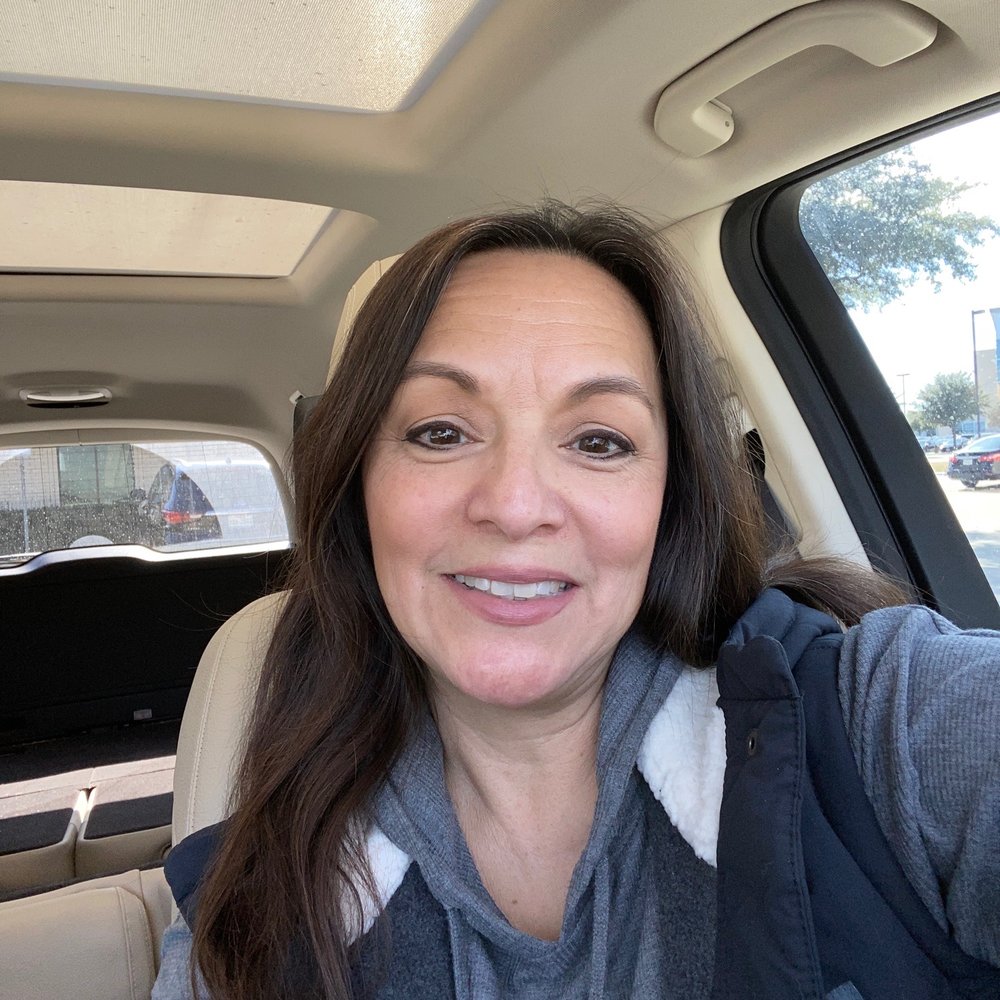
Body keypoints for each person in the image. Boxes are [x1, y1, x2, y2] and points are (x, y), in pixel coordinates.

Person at [152, 203, 1000, 1000]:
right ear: (357, 486)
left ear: (671, 499)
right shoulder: (247, 923)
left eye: (599, 441)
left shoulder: (877, 725)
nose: (516, 506)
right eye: (440, 432)